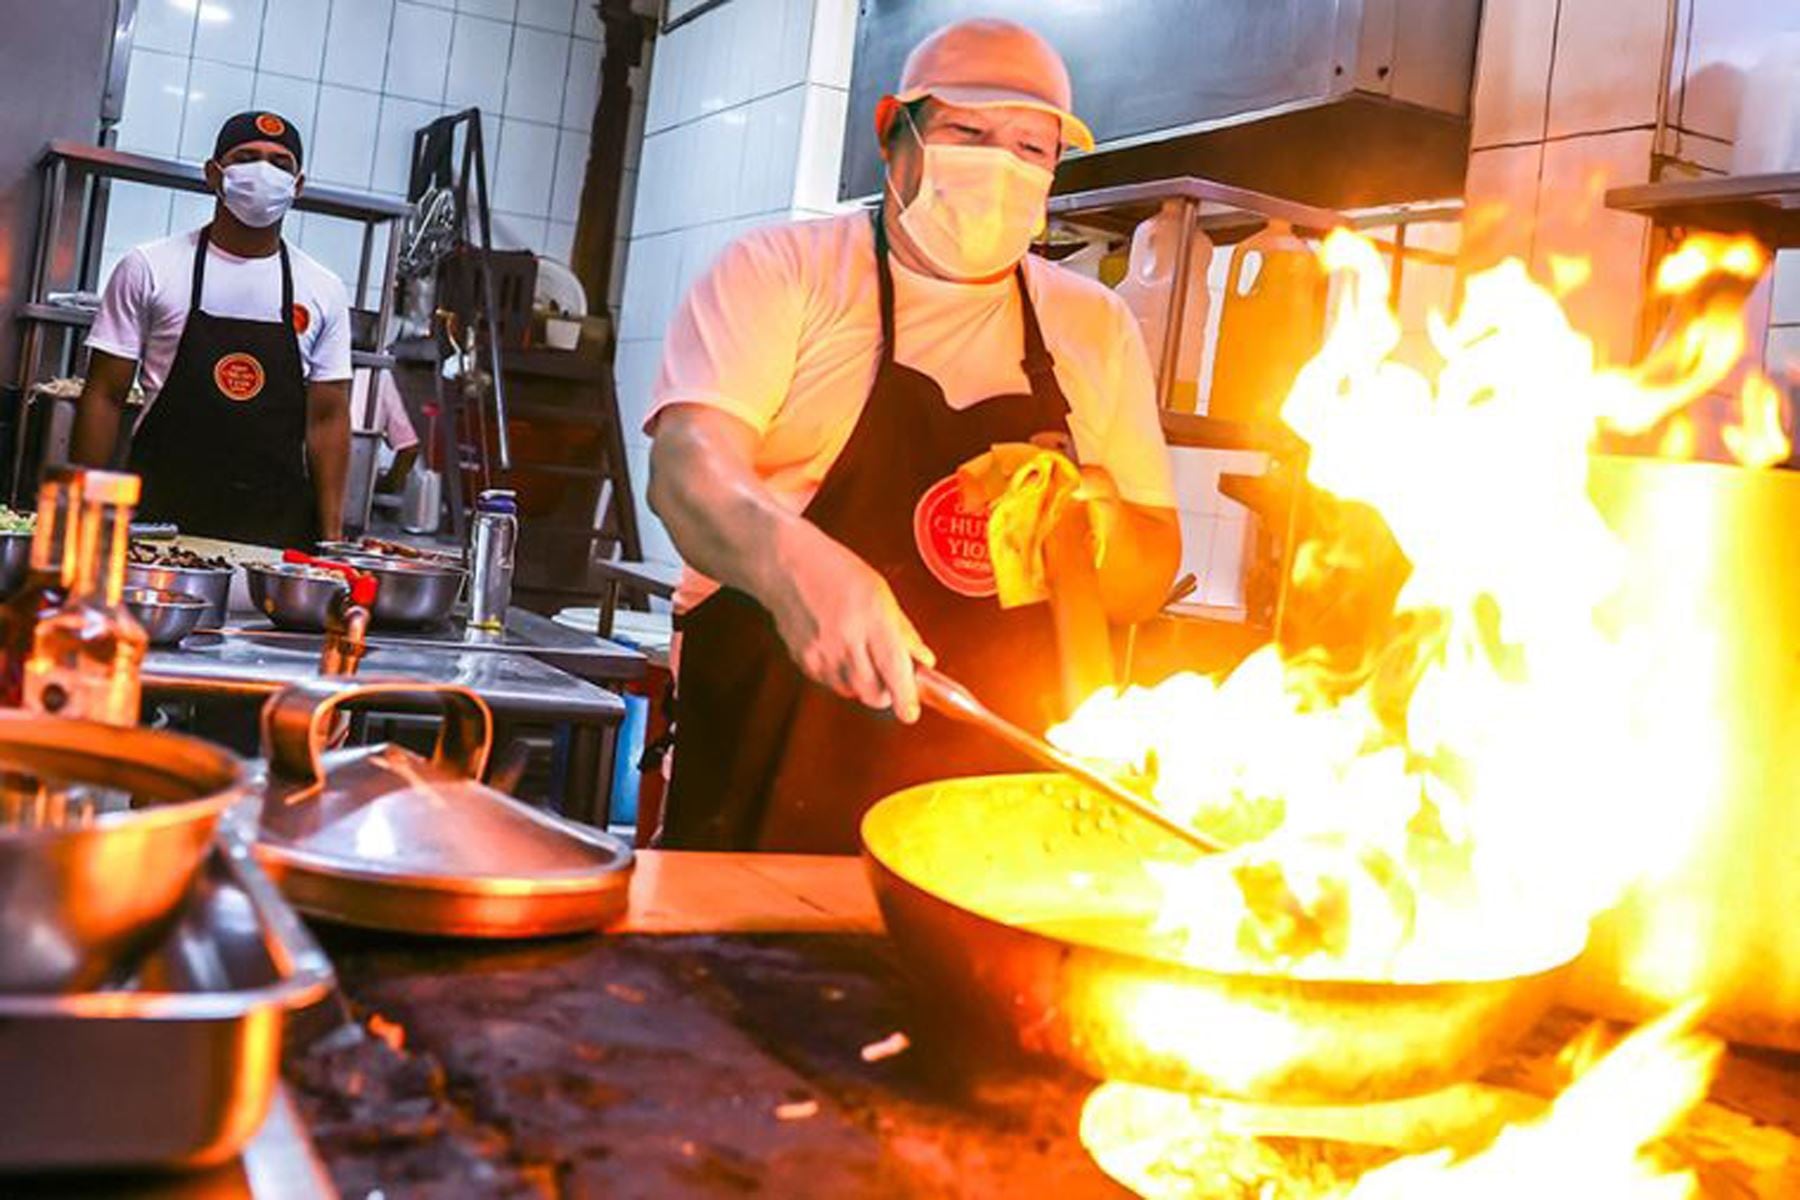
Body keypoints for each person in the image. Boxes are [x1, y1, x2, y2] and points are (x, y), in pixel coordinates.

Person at [646, 18, 1181, 852]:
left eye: (1031, 149)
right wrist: (797, 567)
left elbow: (1148, 572)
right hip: (773, 797)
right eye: (969, 132)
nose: (1002, 166)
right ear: (894, 131)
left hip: (1004, 833)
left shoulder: (1094, 326)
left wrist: (1088, 520)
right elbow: (687, 470)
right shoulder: (786, 273)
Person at [75, 110, 352, 547]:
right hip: (156, 529)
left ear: (297, 186)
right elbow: (104, 395)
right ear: (213, 174)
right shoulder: (150, 267)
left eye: (280, 164)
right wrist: (82, 515)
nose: (264, 172)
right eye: (246, 157)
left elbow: (329, 418)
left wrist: (332, 540)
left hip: (273, 539)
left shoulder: (324, 288)